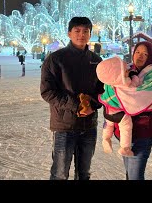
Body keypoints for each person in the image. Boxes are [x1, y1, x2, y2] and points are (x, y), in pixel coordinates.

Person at [40, 16, 104, 180]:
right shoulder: (56, 59)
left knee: (84, 173)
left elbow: (103, 91)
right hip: (64, 126)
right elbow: (48, 91)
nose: (81, 34)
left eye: (85, 31)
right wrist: (76, 106)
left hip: (89, 125)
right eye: (77, 31)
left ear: (90, 34)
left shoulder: (97, 61)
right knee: (60, 173)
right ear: (69, 33)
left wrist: (93, 105)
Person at [103, 41, 152, 180]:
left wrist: (117, 89)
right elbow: (110, 85)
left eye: (145, 54)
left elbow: (137, 97)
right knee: (130, 174)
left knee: (135, 176)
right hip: (123, 133)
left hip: (143, 133)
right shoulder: (125, 71)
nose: (140, 56)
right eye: (138, 52)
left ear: (151, 57)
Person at [97, 55, 152, 157]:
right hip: (119, 111)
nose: (128, 71)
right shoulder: (126, 83)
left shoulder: (110, 83)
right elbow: (134, 87)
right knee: (126, 125)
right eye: (125, 71)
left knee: (109, 123)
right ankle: (125, 147)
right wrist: (134, 76)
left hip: (109, 107)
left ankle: (105, 138)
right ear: (118, 75)